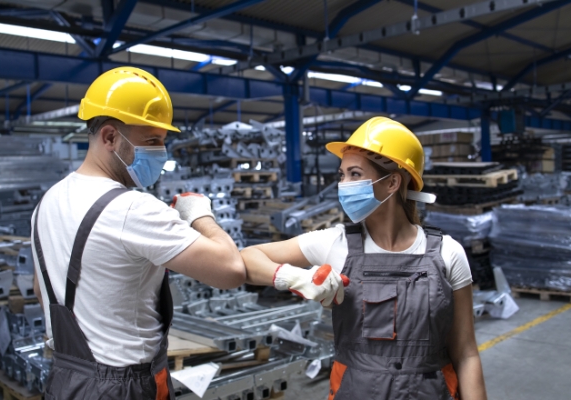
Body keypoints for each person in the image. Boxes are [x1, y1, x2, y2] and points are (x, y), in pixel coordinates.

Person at [30, 66, 246, 400]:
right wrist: (199, 215)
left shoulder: (47, 201)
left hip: (67, 378)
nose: (161, 153)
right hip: (124, 386)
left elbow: (42, 289)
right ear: (110, 137)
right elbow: (231, 271)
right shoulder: (133, 209)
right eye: (152, 141)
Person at [241, 117, 487, 400]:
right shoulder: (335, 244)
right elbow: (247, 257)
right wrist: (295, 276)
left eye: (355, 174)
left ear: (393, 182)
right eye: (342, 175)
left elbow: (466, 353)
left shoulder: (447, 253)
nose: (343, 185)